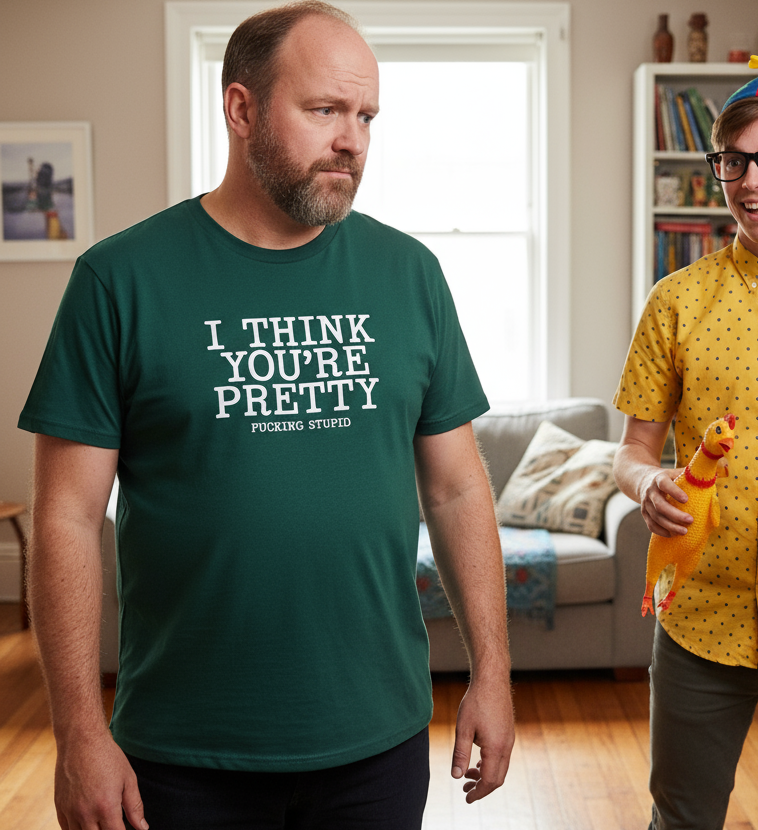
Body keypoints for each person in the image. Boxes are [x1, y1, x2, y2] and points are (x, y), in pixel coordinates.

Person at [18, 3, 515, 829]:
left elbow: (459, 491)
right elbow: (67, 516)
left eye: (365, 117)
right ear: (241, 109)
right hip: (182, 751)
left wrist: (490, 674)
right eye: (324, 110)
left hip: (378, 739)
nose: (352, 139)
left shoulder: (410, 274)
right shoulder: (119, 280)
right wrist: (76, 733)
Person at [613, 57, 758, 830]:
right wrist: (646, 486)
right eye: (734, 162)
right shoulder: (673, 302)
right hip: (700, 621)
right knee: (679, 820)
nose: (751, 182)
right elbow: (631, 451)